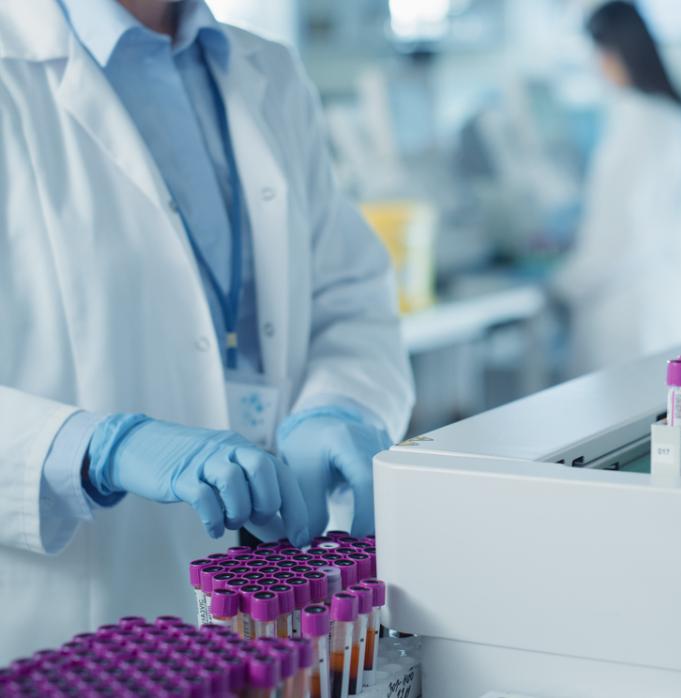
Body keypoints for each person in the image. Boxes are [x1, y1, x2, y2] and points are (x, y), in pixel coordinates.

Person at [0, 0, 414, 661]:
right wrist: (91, 450)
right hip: (69, 624)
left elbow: (349, 294)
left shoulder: (268, 72)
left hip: (275, 596)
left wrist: (340, 402)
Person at [552, 0, 681, 375]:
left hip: (630, 320)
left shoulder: (635, 125)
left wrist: (561, 285)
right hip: (671, 311)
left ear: (614, 54)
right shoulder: (671, 118)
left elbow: (616, 239)